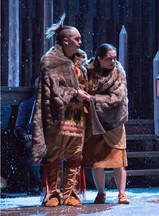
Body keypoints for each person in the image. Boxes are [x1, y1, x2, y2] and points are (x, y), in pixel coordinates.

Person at [32, 14, 90, 207]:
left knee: (75, 155)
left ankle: (71, 192)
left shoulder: (80, 61)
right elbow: (53, 89)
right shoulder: (50, 61)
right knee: (54, 154)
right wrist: (75, 92)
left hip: (77, 115)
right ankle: (53, 193)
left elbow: (86, 84)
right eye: (77, 39)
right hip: (58, 113)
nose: (80, 42)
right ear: (65, 40)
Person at [82, 43, 130, 204]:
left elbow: (117, 97)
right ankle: (101, 193)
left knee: (118, 160)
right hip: (95, 121)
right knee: (98, 161)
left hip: (114, 120)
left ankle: (121, 193)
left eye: (115, 58)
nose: (113, 62)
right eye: (109, 59)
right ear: (99, 59)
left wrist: (93, 99)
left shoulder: (118, 73)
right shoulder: (88, 72)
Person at [14, 75, 41, 196]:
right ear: (33, 85)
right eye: (38, 82)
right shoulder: (26, 104)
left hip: (50, 139)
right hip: (32, 138)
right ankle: (39, 183)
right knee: (33, 148)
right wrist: (25, 134)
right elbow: (18, 127)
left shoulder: (53, 104)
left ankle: (54, 183)